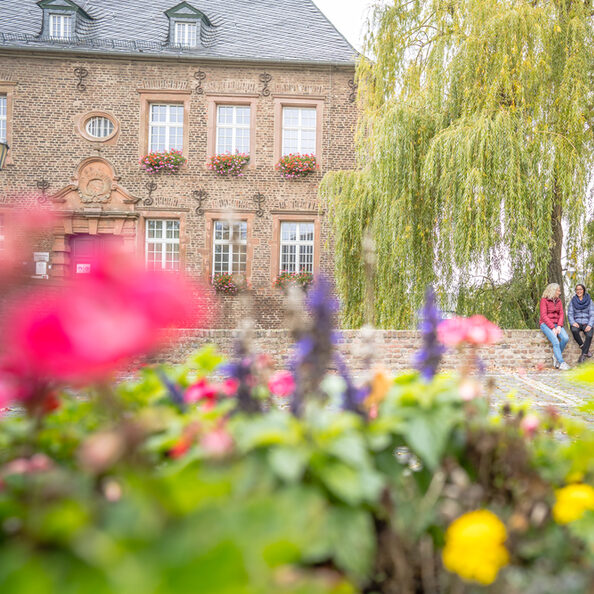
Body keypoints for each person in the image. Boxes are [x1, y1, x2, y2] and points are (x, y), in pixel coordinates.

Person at [539, 283, 570, 370]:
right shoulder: (544, 300)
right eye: (558, 291)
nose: (559, 293)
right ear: (553, 291)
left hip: (557, 324)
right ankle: (561, 362)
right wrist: (552, 327)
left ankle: (555, 356)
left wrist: (559, 326)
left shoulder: (559, 301)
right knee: (555, 342)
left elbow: (561, 314)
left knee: (565, 338)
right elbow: (543, 316)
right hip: (545, 324)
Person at [568, 283, 594, 364]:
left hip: (587, 322)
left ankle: (583, 356)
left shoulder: (589, 301)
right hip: (577, 322)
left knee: (589, 335)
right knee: (574, 330)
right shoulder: (573, 301)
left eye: (580, 289)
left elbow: (592, 314)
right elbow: (570, 313)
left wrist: (590, 325)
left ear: (583, 290)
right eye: (577, 289)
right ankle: (584, 348)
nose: (579, 291)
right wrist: (572, 322)